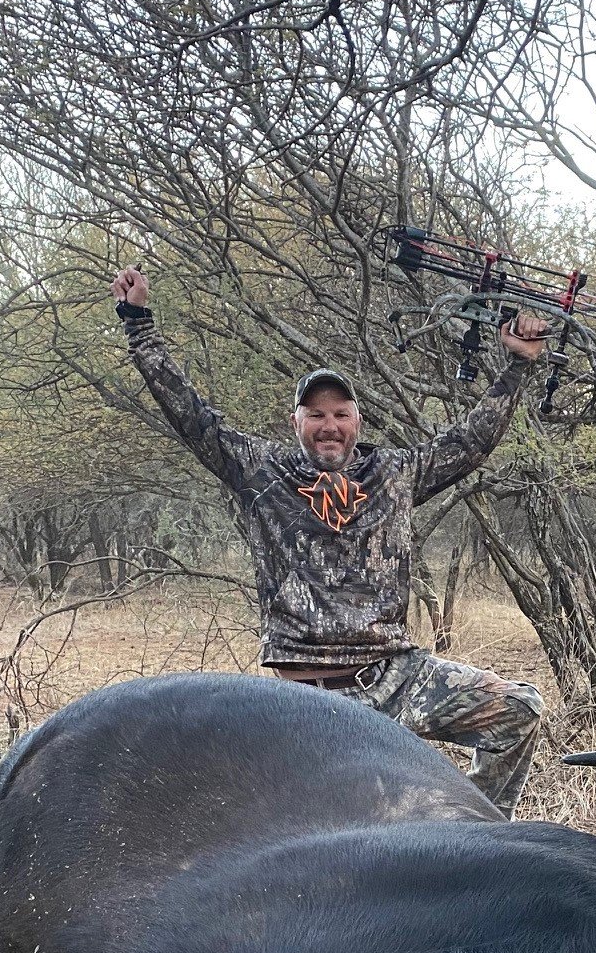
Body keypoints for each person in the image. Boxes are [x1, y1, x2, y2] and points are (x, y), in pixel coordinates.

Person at [110, 266, 548, 817]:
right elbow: (190, 415)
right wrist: (140, 326)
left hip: (396, 676)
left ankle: (477, 842)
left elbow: (472, 440)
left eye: (340, 414)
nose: (329, 425)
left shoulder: (394, 472)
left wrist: (517, 365)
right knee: (312, 831)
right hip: (304, 701)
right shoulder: (260, 470)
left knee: (519, 711)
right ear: (295, 422)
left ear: (357, 421)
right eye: (315, 414)